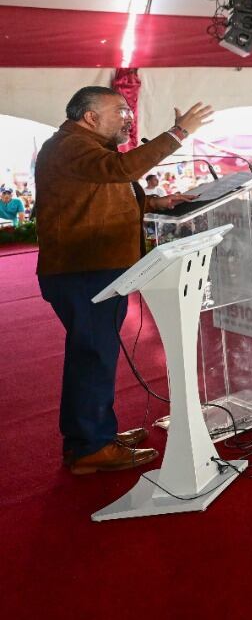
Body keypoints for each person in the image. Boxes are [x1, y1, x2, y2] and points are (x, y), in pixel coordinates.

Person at [34, 86, 213, 474]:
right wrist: (178, 133)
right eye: (121, 110)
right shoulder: (69, 145)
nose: (128, 118)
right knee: (93, 356)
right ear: (90, 116)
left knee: (94, 355)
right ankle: (89, 448)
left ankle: (96, 435)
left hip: (92, 268)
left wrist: (158, 203)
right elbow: (121, 172)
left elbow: (100, 195)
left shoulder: (82, 148)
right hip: (84, 270)